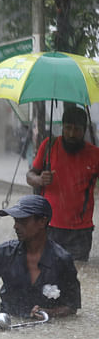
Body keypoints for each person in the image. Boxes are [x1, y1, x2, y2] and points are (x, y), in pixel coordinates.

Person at [0, 195, 80, 318]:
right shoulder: (3, 253)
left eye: (23, 221)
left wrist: (49, 313)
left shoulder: (62, 260)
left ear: (42, 221)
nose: (16, 226)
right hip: (7, 322)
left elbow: (71, 307)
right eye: (16, 220)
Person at [26, 106, 99, 261]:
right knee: (46, 273)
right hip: (48, 227)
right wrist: (39, 180)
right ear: (62, 127)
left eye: (77, 129)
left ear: (85, 130)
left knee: (76, 276)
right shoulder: (48, 146)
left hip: (81, 232)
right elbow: (30, 175)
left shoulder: (95, 155)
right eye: (68, 128)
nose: (72, 134)